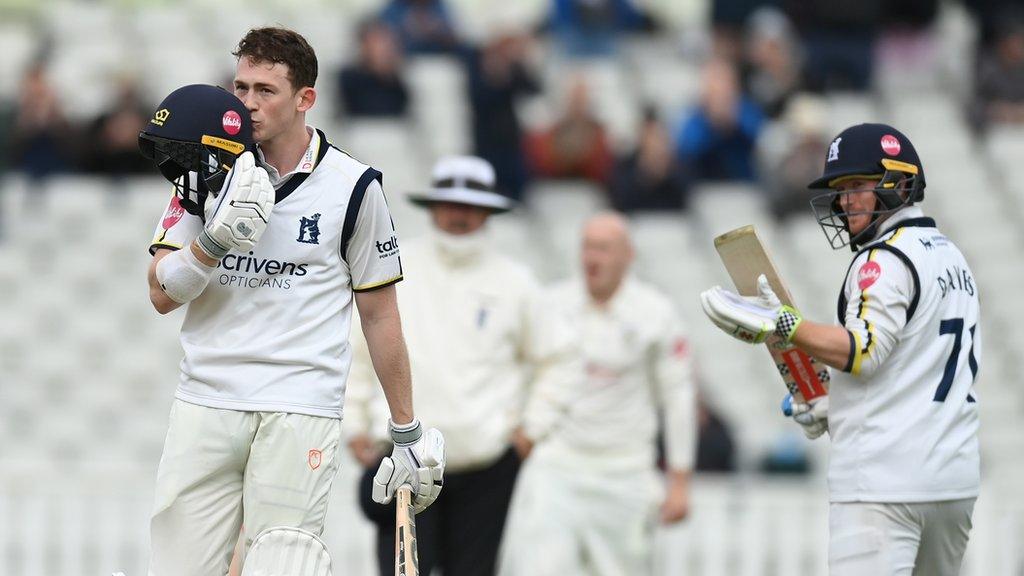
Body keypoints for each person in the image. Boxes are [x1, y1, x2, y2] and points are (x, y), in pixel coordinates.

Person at [140, 27, 445, 576]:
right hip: (206, 398)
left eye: (266, 90)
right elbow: (161, 292)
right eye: (241, 88)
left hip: (299, 406)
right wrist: (211, 246)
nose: (247, 104)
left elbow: (379, 315)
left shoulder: (353, 187)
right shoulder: (203, 168)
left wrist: (406, 432)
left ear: (306, 98)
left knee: (281, 565)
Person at [701, 123, 981, 575]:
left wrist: (783, 324)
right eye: (840, 189)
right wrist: (840, 407)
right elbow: (912, 369)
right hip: (952, 483)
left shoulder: (883, 259)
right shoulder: (952, 257)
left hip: (882, 484)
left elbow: (863, 351)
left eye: (856, 187)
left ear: (900, 182)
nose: (845, 200)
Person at [346, 155, 579, 576]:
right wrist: (354, 424)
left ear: (488, 211)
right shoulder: (398, 267)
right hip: (405, 461)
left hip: (485, 466)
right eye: (450, 204)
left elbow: (560, 358)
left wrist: (530, 432)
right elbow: (360, 350)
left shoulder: (515, 282)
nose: (459, 215)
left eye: (470, 206)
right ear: (434, 206)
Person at [500, 212, 696, 576]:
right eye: (588, 247)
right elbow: (520, 374)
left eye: (604, 249)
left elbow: (677, 396)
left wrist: (680, 481)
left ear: (628, 255)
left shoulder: (656, 313)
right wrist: (518, 427)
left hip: (626, 472)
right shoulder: (552, 304)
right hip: (557, 465)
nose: (593, 258)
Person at [336, 19, 411, 118]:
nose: (384, 48)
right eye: (377, 42)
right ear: (364, 45)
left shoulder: (398, 82)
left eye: (387, 42)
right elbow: (359, 108)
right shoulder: (349, 78)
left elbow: (399, 109)